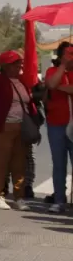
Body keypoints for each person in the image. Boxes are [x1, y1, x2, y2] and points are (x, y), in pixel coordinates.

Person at [0, 34, 39, 211]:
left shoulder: (22, 82)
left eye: (20, 63)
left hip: (20, 128)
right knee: (3, 164)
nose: (19, 65)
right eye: (15, 63)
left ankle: (19, 197)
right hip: (3, 128)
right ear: (6, 66)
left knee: (19, 164)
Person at [45, 42, 73, 212]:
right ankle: (59, 200)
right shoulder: (52, 71)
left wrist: (63, 88)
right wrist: (63, 66)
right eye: (69, 53)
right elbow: (51, 84)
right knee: (59, 164)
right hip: (56, 124)